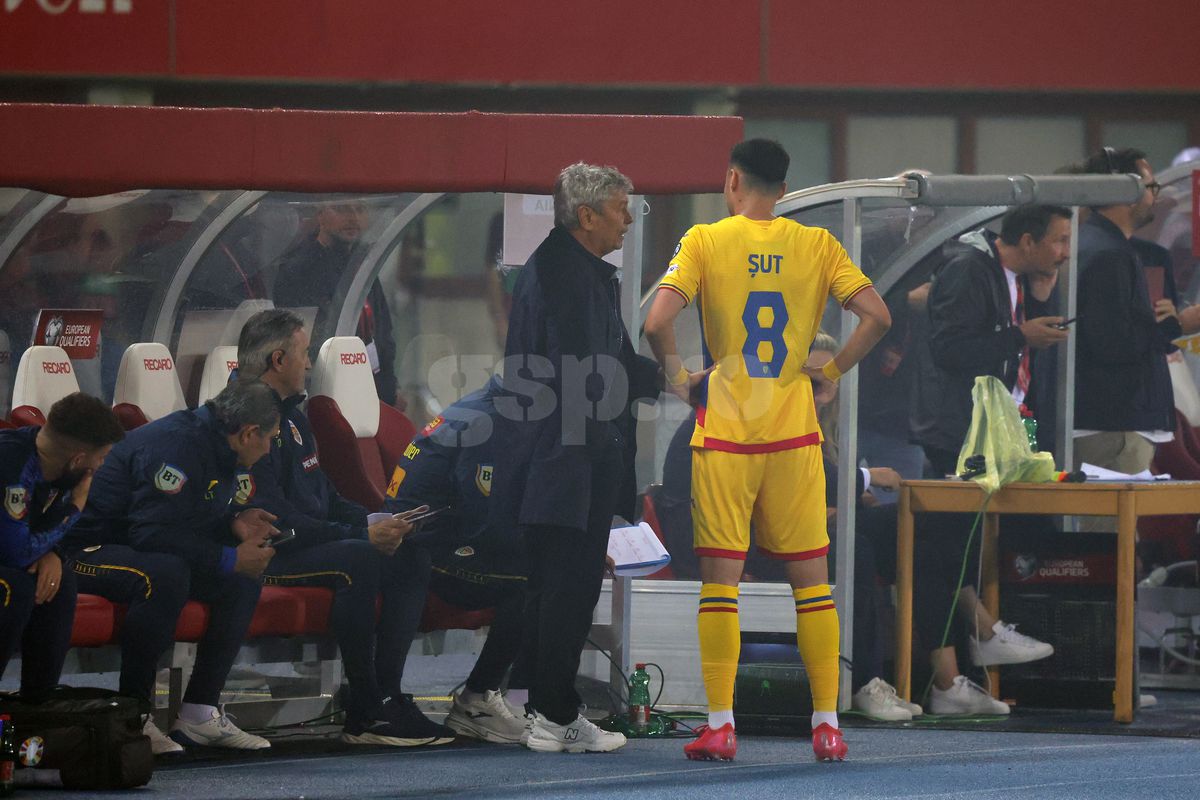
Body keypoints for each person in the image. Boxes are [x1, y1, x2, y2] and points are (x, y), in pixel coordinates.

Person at [644, 138, 892, 762]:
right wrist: (831, 368)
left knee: (720, 586)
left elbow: (655, 321)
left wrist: (679, 380)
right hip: (794, 435)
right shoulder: (817, 245)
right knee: (813, 587)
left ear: (732, 181)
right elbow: (878, 316)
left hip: (726, 434)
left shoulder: (704, 241)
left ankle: (721, 725)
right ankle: (828, 725)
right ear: (783, 191)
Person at [491, 162, 660, 754]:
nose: (630, 219)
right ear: (586, 216)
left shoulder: (572, 268)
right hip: (568, 458)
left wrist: (672, 380)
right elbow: (590, 372)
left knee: (552, 589)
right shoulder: (567, 276)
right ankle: (557, 714)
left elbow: (609, 359)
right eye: (620, 209)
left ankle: (539, 707)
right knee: (569, 588)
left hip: (559, 456)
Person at [234, 309, 455, 747]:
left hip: (310, 540)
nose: (310, 364)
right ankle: (366, 708)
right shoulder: (248, 419)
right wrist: (358, 536)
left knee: (410, 552)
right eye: (303, 354)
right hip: (270, 551)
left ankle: (387, 697)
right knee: (358, 557)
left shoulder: (294, 416)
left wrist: (374, 520)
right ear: (278, 360)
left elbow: (327, 495)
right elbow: (274, 518)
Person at [63, 380, 281, 755]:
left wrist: (233, 522)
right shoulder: (180, 444)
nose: (270, 447)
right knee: (165, 573)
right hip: (84, 549)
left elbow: (184, 514)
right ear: (248, 433)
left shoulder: (218, 445)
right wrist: (228, 556)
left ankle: (199, 712)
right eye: (271, 438)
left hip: (136, 545)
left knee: (241, 582)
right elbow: (151, 532)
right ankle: (134, 716)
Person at [914, 205, 1070, 714]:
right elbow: (951, 349)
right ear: (1027, 240)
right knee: (943, 552)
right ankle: (949, 679)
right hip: (955, 434)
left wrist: (1033, 314)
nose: (1064, 253)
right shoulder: (968, 270)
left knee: (960, 547)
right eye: (1058, 240)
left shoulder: (1008, 277)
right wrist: (1020, 336)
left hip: (983, 432)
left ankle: (974, 648)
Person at [385, 375, 530, 744]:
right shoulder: (490, 422)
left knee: (535, 570)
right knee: (531, 585)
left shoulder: (489, 405)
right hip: (418, 548)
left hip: (434, 536)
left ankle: (499, 698)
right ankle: (477, 700)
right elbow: (482, 517)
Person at [0, 393, 123, 697]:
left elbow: (36, 533)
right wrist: (76, 507)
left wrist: (53, 553)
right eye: (102, 456)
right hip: (8, 562)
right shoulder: (12, 465)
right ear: (78, 459)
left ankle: (38, 705)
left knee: (59, 580)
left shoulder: (53, 464)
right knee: (14, 587)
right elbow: (15, 553)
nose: (102, 464)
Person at [1074, 147, 1179, 486]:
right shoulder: (1109, 254)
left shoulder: (1106, 246)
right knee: (1109, 537)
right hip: (1110, 425)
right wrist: (1178, 325)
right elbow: (1114, 344)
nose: (1155, 197)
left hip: (1109, 421)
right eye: (1151, 187)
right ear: (1126, 191)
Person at [273, 199, 399, 406]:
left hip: (373, 388)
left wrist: (390, 387)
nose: (353, 218)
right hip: (329, 390)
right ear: (320, 214)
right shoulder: (299, 269)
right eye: (341, 209)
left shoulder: (362, 262)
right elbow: (301, 341)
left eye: (360, 209)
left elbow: (383, 331)